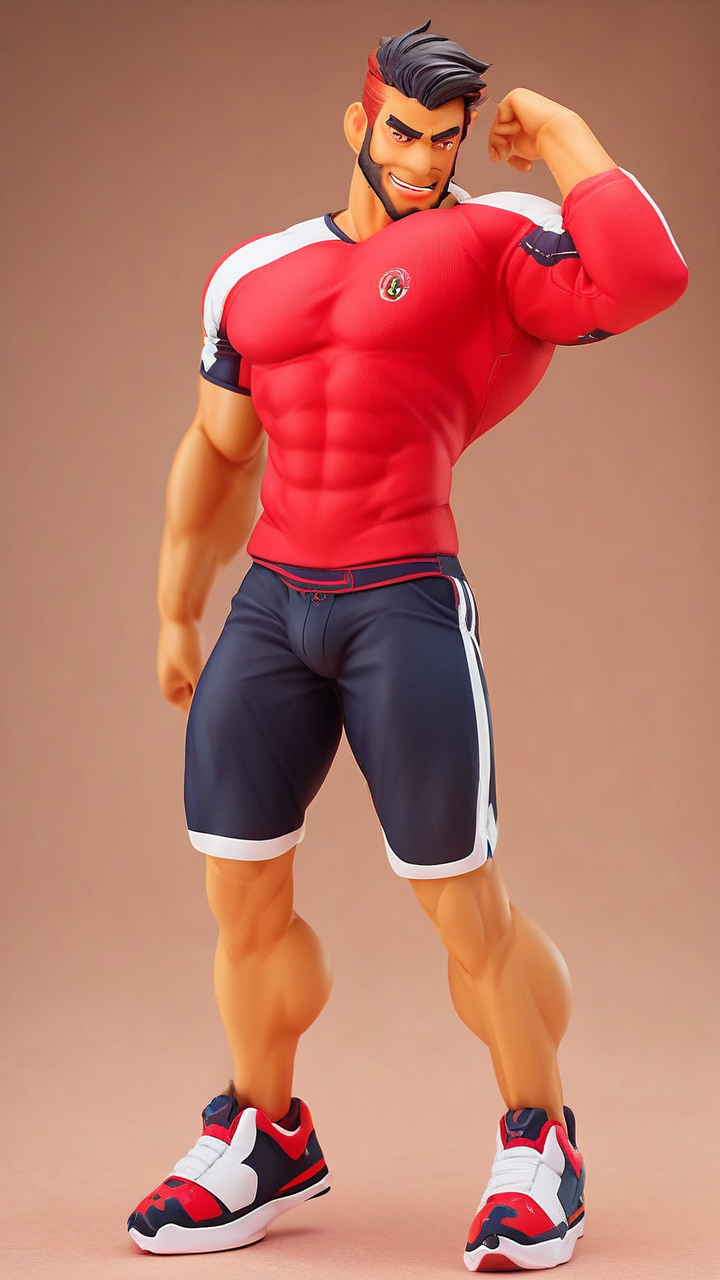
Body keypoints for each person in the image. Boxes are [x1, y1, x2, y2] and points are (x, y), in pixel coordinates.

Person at [127, 21, 687, 1271]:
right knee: (240, 894)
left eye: (446, 140)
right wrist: (176, 603)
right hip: (272, 604)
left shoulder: (491, 244)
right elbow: (219, 446)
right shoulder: (254, 274)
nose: (426, 160)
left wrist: (558, 131)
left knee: (461, 901)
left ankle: (542, 1138)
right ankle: (265, 1131)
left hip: (402, 599)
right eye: (405, 133)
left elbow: (646, 276)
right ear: (358, 123)